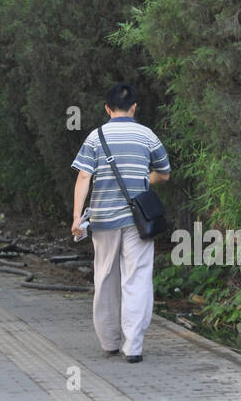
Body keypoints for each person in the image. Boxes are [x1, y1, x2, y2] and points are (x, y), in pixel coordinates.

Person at [70, 83, 171, 363]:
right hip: (139, 220)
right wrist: (140, 182)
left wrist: (77, 216)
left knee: (105, 278)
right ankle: (134, 347)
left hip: (103, 219)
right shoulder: (147, 136)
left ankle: (110, 342)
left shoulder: (95, 137)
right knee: (136, 279)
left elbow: (83, 177)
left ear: (107, 108)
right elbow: (164, 173)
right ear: (135, 107)